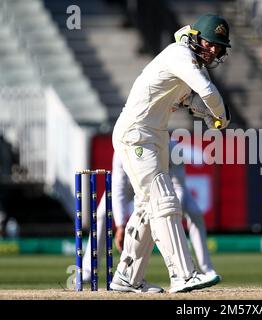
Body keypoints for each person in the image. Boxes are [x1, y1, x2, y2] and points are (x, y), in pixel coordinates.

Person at [110, 13, 231, 294]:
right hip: (136, 134)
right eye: (211, 42)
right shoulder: (180, 55)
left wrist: (205, 113)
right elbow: (207, 91)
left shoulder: (185, 66)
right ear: (196, 37)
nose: (214, 50)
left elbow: (189, 100)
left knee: (146, 206)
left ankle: (127, 277)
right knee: (164, 200)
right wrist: (222, 117)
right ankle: (182, 275)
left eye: (219, 46)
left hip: (154, 136)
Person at [81, 147, 220, 283]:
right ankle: (88, 270)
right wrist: (121, 224)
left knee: (195, 213)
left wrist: (175, 213)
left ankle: (207, 269)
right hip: (132, 185)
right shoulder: (123, 146)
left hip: (164, 186)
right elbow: (118, 188)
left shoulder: (173, 148)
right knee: (102, 213)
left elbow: (179, 186)